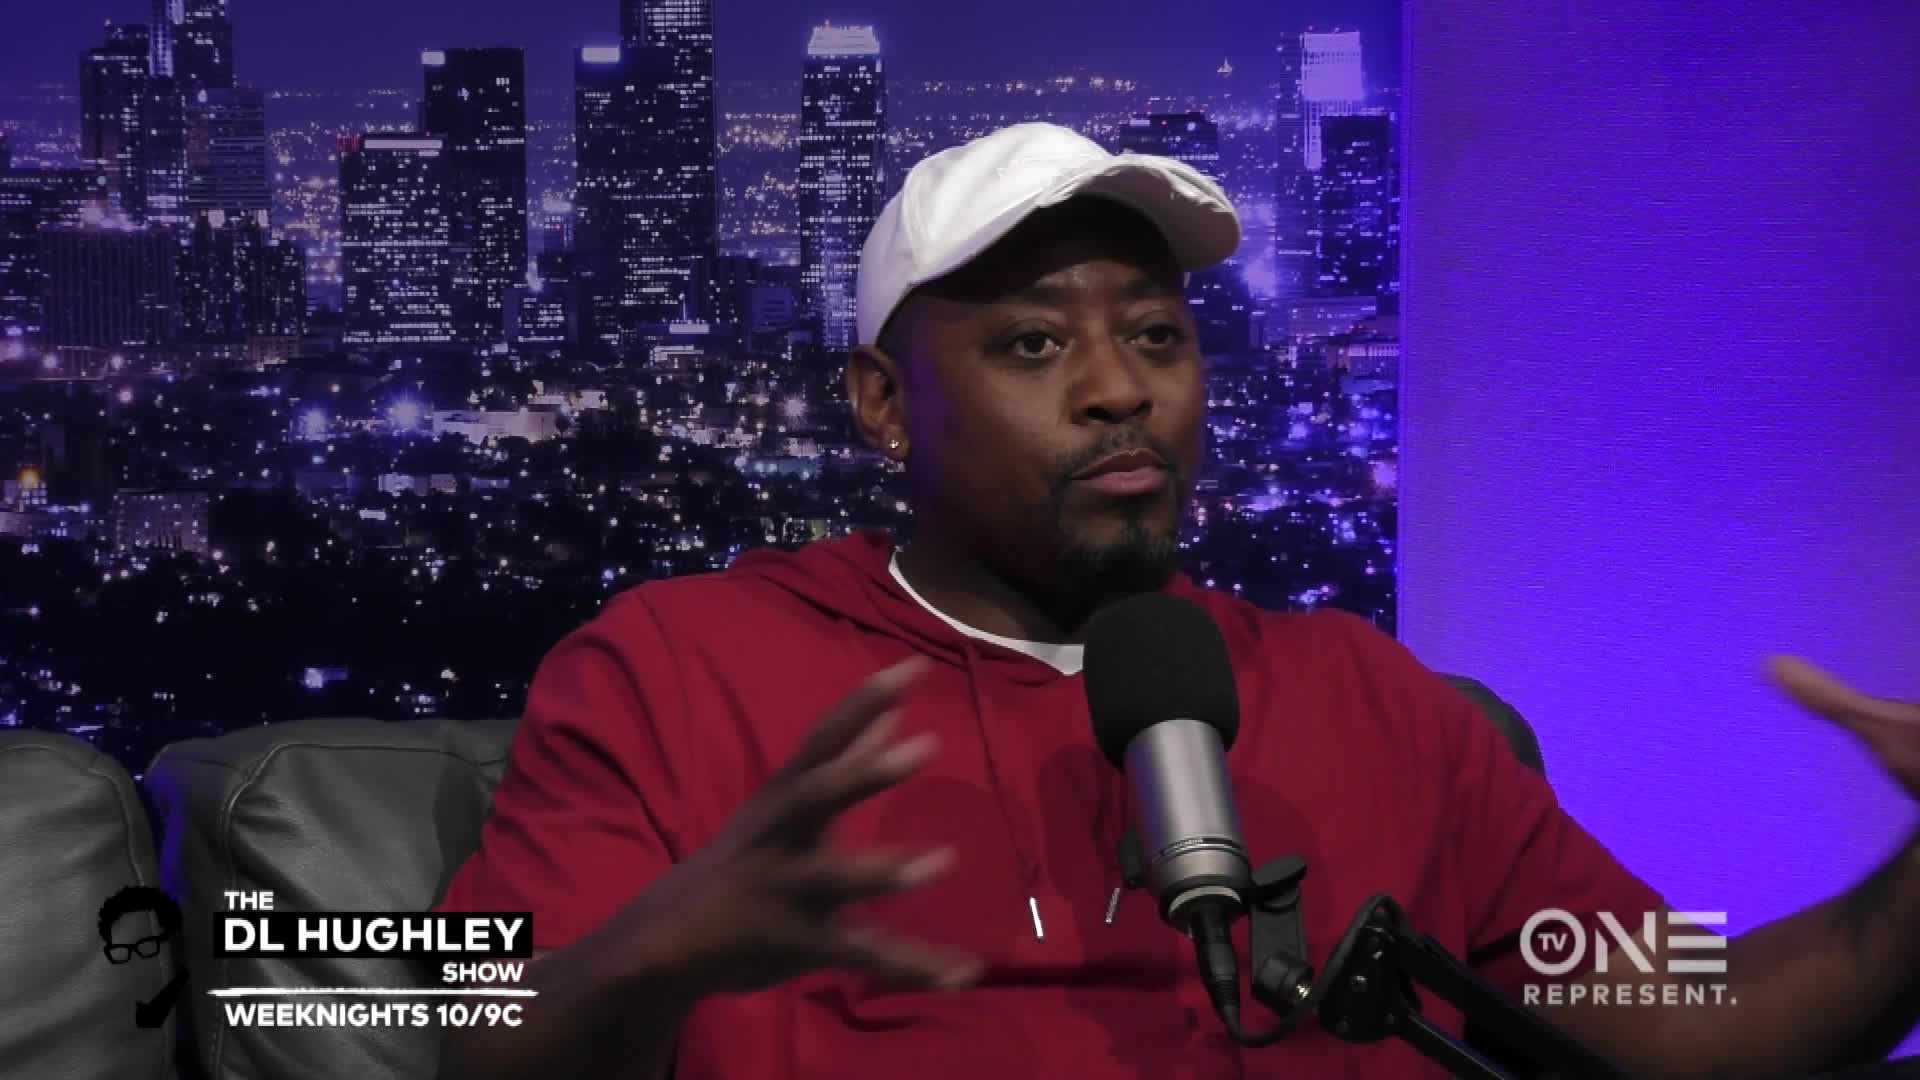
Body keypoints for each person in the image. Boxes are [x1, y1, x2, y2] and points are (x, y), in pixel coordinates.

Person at [436, 122, 1920, 1079]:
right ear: (884, 405)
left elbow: (1700, 1008)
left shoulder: (1367, 694)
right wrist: (653, 953)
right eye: (1032, 347)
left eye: (1155, 335)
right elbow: (427, 1013)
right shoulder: (673, 667)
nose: (1117, 388)